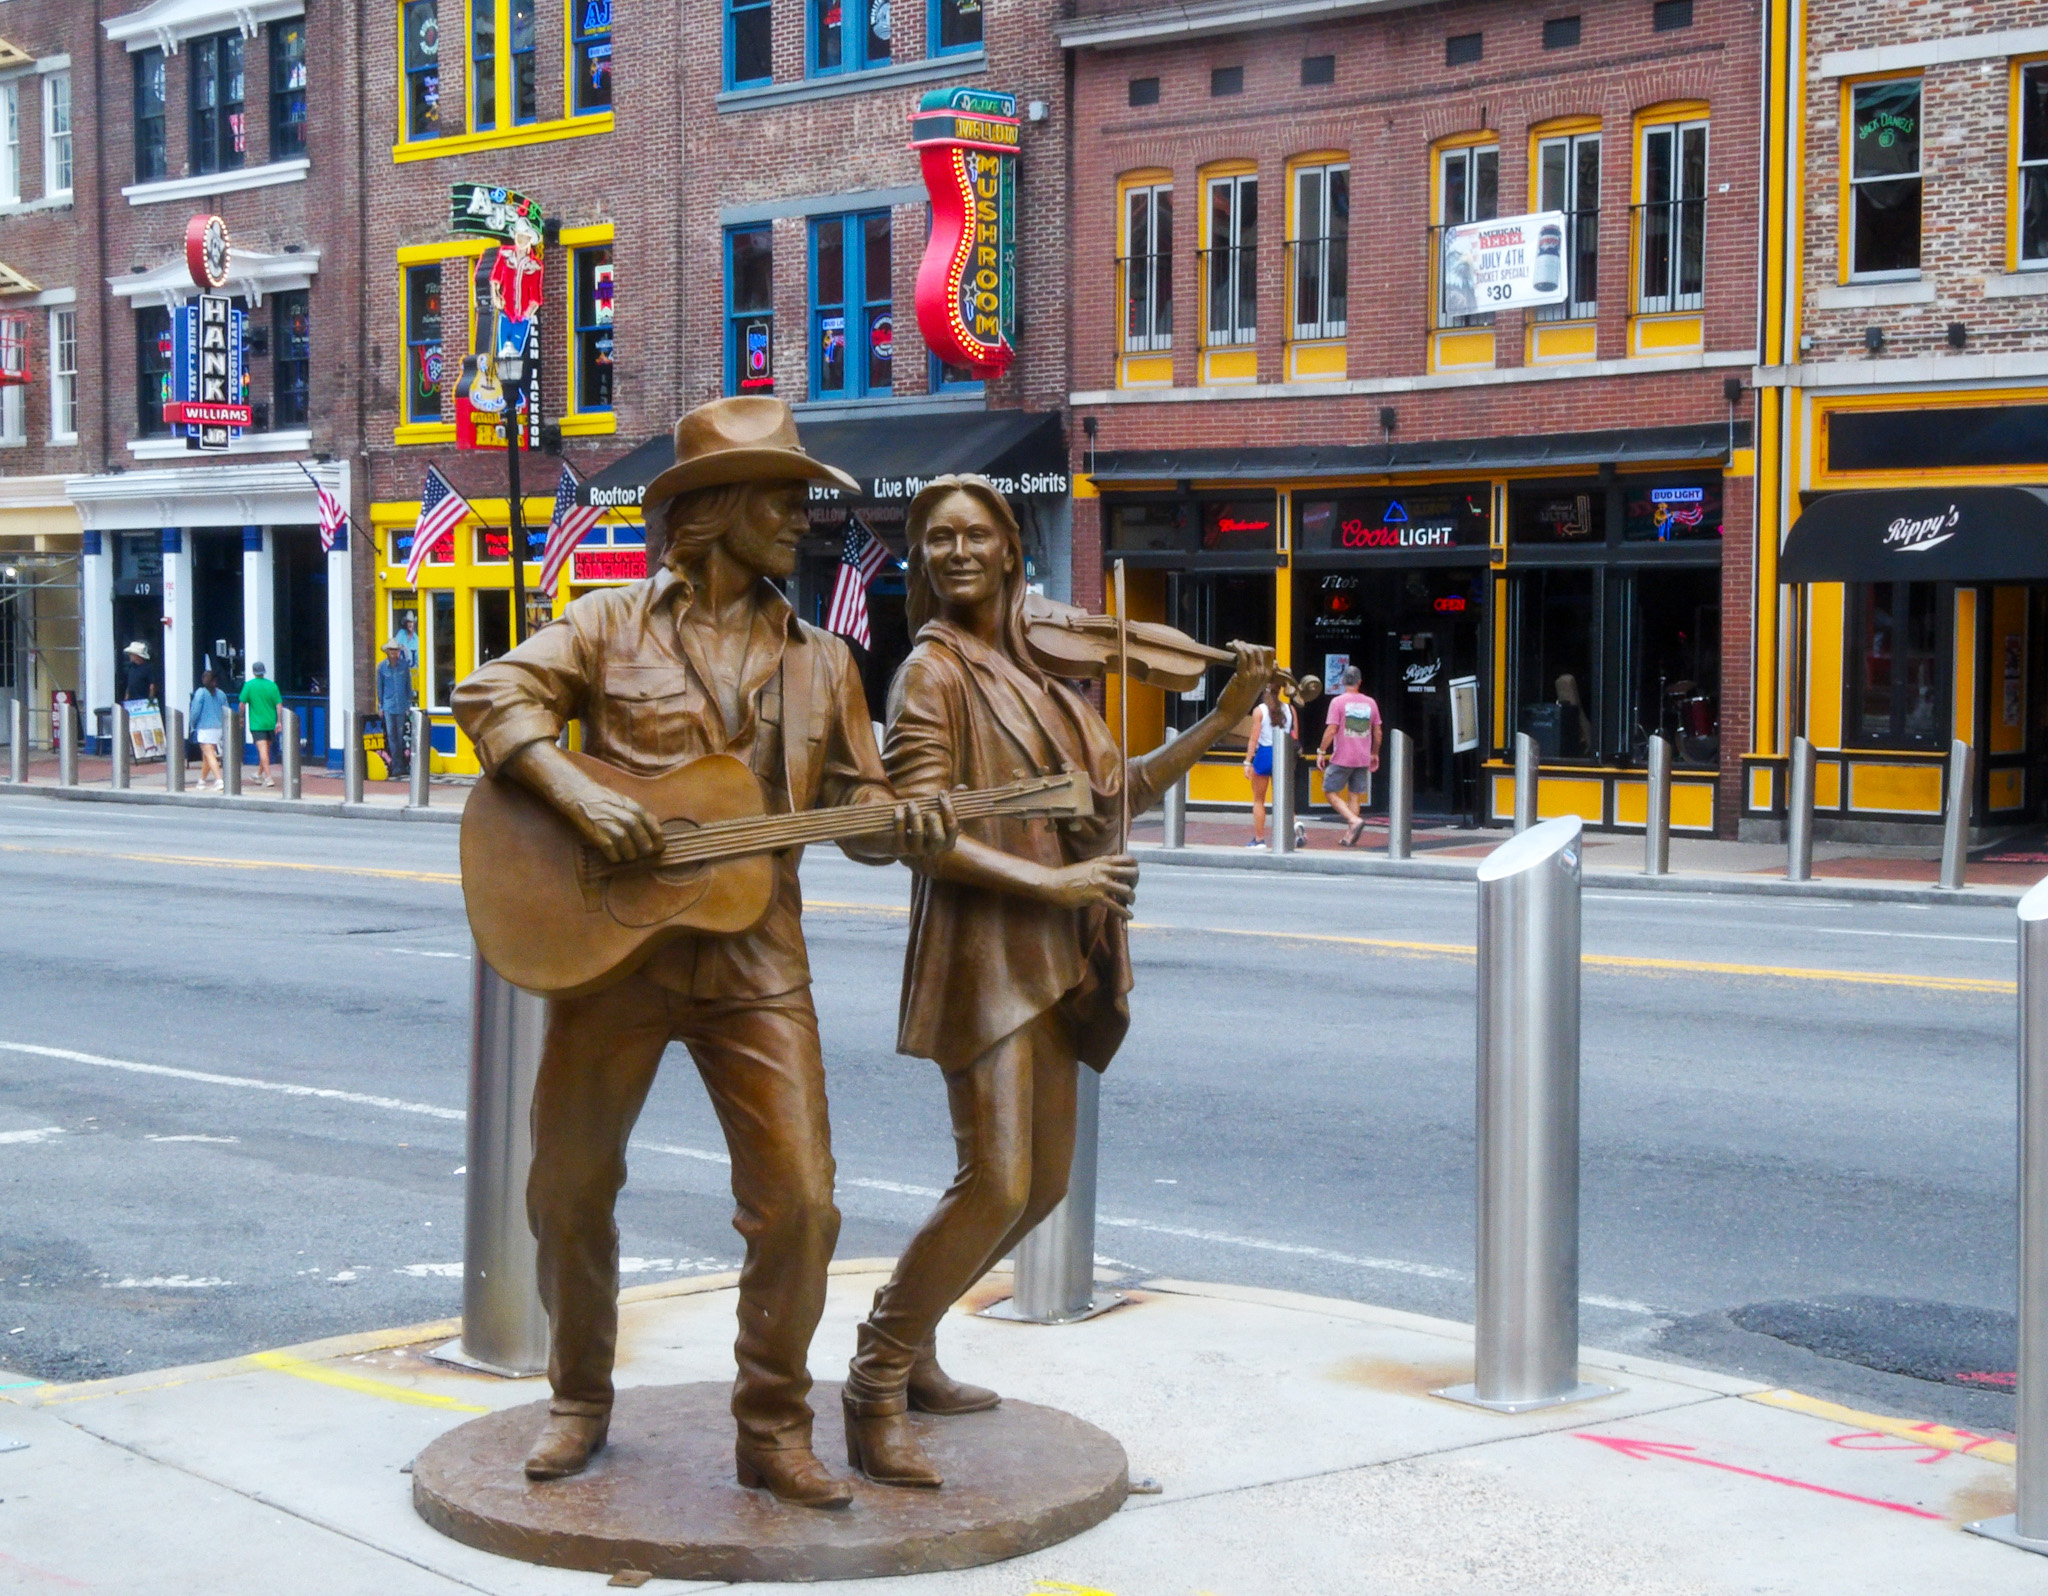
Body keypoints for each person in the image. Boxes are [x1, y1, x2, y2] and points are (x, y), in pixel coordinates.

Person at [451, 397, 957, 1509]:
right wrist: (578, 790)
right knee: (569, 1190)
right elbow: (492, 693)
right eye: (781, 499)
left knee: (804, 1204)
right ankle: (578, 1396)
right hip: (614, 961)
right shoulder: (607, 623)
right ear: (718, 510)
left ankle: (772, 1427)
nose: (800, 520)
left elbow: (861, 816)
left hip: (758, 964)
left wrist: (895, 824)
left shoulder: (824, 661)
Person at [841, 474, 1272, 1490]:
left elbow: (1120, 793)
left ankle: (913, 1345)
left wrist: (1224, 716)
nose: (953, 552)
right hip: (982, 948)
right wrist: (1055, 879)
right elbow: (920, 830)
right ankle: (873, 1378)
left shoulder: (1042, 682)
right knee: (991, 1180)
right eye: (934, 538)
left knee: (1040, 1187)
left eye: (972, 536)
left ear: (1007, 553)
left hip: (1054, 944)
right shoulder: (931, 677)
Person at [1317, 666, 1383, 847]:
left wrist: (1321, 751)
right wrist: (1375, 753)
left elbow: (1331, 730)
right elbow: (1378, 732)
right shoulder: (1371, 703)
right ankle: (1350, 834)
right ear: (1359, 682)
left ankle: (1353, 821)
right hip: (1362, 758)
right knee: (1354, 796)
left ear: (1343, 681)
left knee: (1330, 791)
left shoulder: (1337, 702)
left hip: (1342, 757)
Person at [1240, 680, 1296, 848]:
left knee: (1259, 800)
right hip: (1284, 754)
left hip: (1265, 754)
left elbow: (1254, 739)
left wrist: (1247, 761)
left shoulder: (1259, 711)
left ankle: (1259, 839)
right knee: (1285, 800)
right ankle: (1295, 825)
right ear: (1280, 691)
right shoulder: (1290, 709)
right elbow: (1294, 736)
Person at [239, 662, 283, 788]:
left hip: (257, 724)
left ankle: (268, 778)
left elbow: (242, 704)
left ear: (253, 672)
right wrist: (278, 721)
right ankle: (259, 774)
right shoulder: (272, 686)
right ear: (264, 671)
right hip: (270, 723)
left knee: (263, 752)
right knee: (266, 751)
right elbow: (279, 705)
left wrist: (241, 717)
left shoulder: (249, 685)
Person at [376, 641, 414, 779]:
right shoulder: (381, 668)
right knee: (391, 737)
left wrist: (409, 704)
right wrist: (380, 707)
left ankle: (402, 765)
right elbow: (379, 688)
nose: (394, 653)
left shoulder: (404, 666)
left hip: (401, 706)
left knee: (400, 736)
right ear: (387, 652)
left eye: (396, 650)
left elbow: (408, 686)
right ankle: (396, 766)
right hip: (388, 706)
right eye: (391, 650)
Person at [188, 670, 229, 790]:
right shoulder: (221, 694)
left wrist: (192, 724)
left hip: (204, 727)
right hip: (218, 728)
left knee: (209, 754)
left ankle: (219, 779)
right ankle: (202, 781)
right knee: (207, 756)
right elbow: (226, 710)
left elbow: (195, 712)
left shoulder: (200, 693)